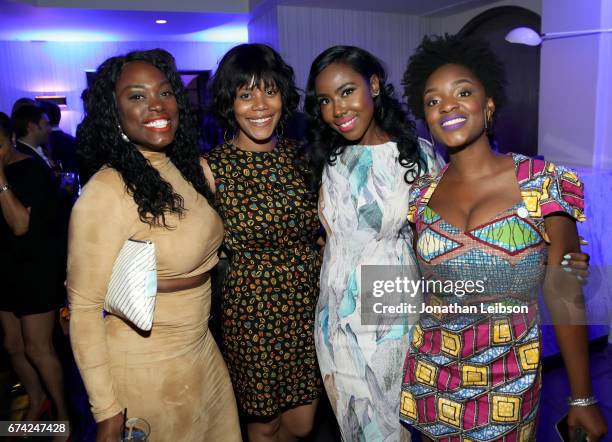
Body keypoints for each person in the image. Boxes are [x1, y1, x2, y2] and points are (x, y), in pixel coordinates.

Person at [399, 34, 607, 442]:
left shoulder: (543, 183)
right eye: (433, 100)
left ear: (488, 104)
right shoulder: (421, 194)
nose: (448, 106)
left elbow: (564, 292)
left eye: (463, 92)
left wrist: (582, 398)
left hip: (507, 380)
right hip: (431, 372)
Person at [67, 49, 240, 442]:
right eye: (137, 96)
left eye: (164, 92)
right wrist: (106, 410)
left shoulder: (190, 169)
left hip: (203, 353)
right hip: (145, 367)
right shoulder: (106, 192)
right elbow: (84, 310)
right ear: (115, 112)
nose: (156, 106)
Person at [304, 45, 445, 442]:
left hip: (392, 315)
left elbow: (439, 240)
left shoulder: (417, 157)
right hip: (335, 318)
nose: (337, 109)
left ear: (375, 85)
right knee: (354, 426)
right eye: (325, 100)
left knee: (389, 427)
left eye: (347, 91)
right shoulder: (327, 158)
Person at [205, 43, 322, 442]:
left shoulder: (303, 157)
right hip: (250, 312)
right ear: (230, 102)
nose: (259, 105)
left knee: (302, 424)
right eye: (245, 94)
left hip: (306, 304)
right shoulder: (211, 168)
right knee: (264, 425)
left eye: (269, 91)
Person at [0, 112, 69, 438]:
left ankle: (64, 417)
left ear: (10, 139)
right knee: (13, 346)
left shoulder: (27, 169)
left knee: (37, 348)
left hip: (35, 268)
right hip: (6, 268)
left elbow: (19, 224)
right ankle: (37, 401)